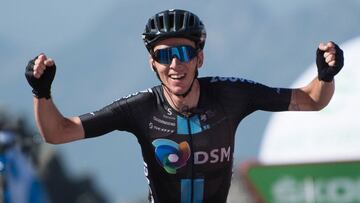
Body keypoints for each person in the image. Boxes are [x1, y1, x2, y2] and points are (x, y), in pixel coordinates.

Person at [25, 9, 344, 203]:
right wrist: (42, 92)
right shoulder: (140, 108)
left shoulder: (231, 95)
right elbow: (57, 132)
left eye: (184, 53)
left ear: (200, 58)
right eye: (164, 55)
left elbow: (312, 99)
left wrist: (325, 75)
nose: (175, 64)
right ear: (152, 63)